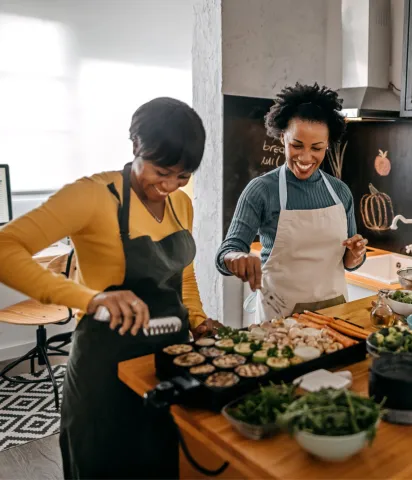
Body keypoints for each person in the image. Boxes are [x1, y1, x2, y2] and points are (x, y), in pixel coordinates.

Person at [0, 97, 219, 479]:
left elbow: (182, 274)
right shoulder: (92, 195)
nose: (169, 185)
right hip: (106, 369)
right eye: (162, 170)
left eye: (182, 176)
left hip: (168, 361)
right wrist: (90, 298)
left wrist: (197, 320)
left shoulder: (181, 203)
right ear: (136, 146)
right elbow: (5, 248)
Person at [216, 83, 368, 323]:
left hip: (334, 317)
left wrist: (355, 254)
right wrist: (236, 258)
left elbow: (349, 263)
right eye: (297, 145)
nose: (306, 157)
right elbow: (225, 253)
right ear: (282, 138)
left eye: (317, 148)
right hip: (280, 320)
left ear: (327, 144)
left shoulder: (340, 192)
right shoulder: (261, 190)